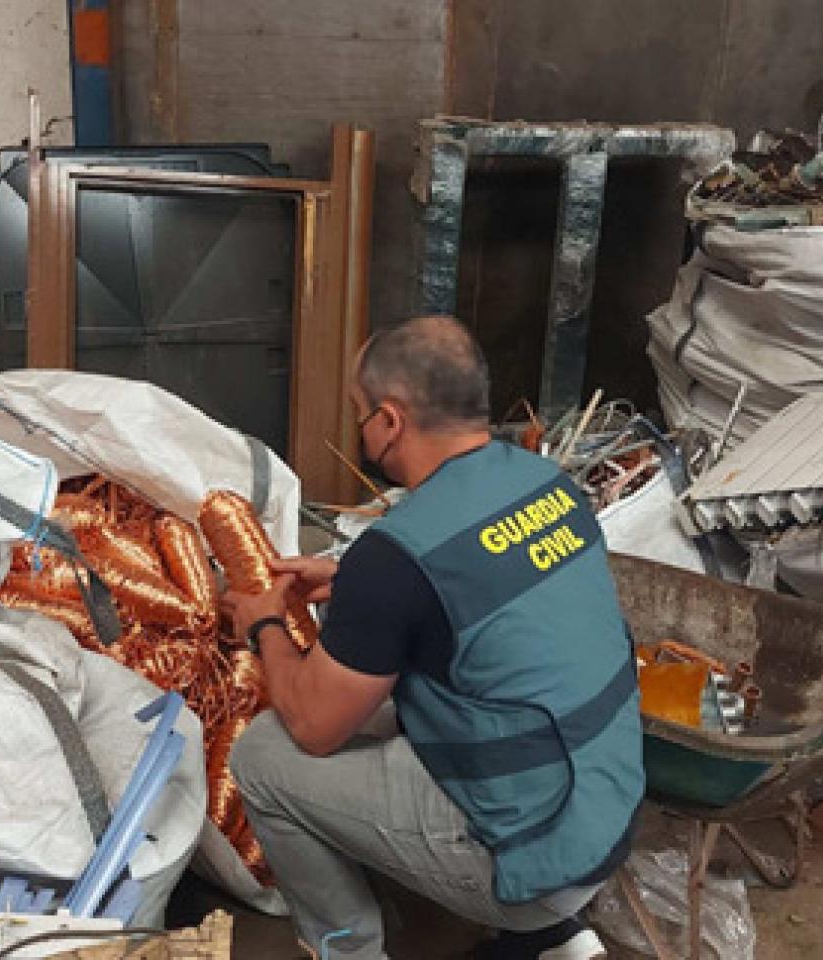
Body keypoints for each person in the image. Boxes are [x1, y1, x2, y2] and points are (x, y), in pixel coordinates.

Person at [222, 316, 643, 960]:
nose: (360, 427)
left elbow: (312, 725)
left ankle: (350, 950)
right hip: (606, 805)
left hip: (533, 859)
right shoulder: (546, 482)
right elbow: (491, 585)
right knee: (392, 695)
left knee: (266, 758)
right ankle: (556, 937)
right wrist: (350, 580)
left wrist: (264, 625)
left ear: (389, 421)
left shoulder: (396, 559)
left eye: (360, 413)